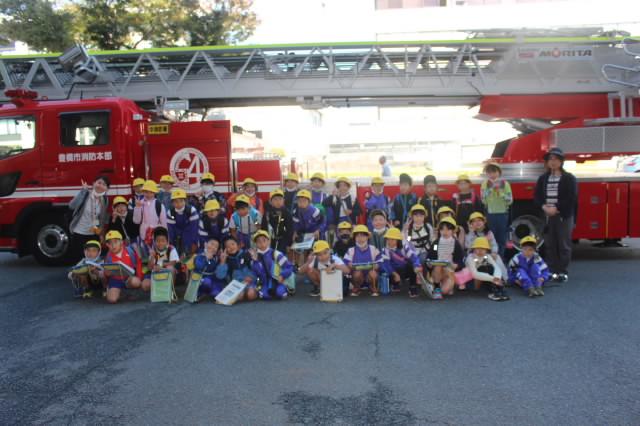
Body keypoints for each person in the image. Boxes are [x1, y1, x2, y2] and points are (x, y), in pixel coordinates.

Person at [534, 147, 577, 283]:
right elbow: (537, 197)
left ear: (561, 161)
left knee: (564, 245)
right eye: (550, 159)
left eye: (556, 159)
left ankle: (562, 271)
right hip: (547, 216)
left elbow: (571, 198)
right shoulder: (543, 179)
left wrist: (556, 208)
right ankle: (551, 271)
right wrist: (544, 207)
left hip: (563, 216)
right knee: (550, 244)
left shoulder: (569, 178)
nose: (553, 162)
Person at [68, 175, 110, 261]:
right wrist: (83, 191)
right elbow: (71, 206)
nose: (100, 186)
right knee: (80, 259)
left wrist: (101, 234)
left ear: (107, 189)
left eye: (104, 184)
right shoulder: (86, 194)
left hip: (93, 232)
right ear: (93, 184)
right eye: (99, 183)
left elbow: (102, 218)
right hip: (79, 231)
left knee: (94, 259)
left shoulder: (105, 199)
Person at [250, 230, 294, 300]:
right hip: (265, 283)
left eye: (264, 240)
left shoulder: (276, 254)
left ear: (269, 241)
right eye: (258, 241)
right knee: (265, 296)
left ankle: (286, 288)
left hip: (278, 281)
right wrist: (255, 262)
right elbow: (255, 273)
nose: (261, 243)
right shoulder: (254, 257)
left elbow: (289, 267)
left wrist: (282, 275)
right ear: (256, 244)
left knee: (280, 293)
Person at [481, 163, 512, 257]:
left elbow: (510, 200)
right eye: (489, 172)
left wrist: (500, 193)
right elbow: (483, 199)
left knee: (501, 238)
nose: (492, 174)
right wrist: (490, 189)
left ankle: (501, 258)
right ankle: (491, 258)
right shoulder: (485, 184)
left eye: (494, 172)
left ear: (499, 172)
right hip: (491, 214)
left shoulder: (505, 183)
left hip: (503, 214)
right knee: (491, 237)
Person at [102, 230, 143, 304]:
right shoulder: (108, 256)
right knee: (112, 299)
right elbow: (106, 273)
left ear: (121, 242)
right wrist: (106, 274)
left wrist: (139, 277)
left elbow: (138, 263)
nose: (113, 246)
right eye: (110, 243)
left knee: (136, 282)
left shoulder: (130, 251)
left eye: (115, 242)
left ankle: (130, 290)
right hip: (115, 280)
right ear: (107, 245)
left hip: (128, 279)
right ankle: (119, 292)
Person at [429, 217, 464, 299]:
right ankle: (437, 287)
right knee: (438, 265)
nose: (445, 232)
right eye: (442, 229)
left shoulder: (456, 244)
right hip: (437, 271)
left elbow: (461, 260)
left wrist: (456, 265)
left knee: (445, 291)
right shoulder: (436, 243)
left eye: (448, 229)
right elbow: (431, 255)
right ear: (439, 231)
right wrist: (430, 263)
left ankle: (444, 285)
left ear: (453, 231)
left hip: (449, 272)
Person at [465, 237, 509, 302]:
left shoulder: (487, 256)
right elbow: (474, 274)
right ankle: (493, 291)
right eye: (478, 248)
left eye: (483, 249)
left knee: (490, 268)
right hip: (472, 281)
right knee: (483, 268)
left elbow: (496, 267)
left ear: (486, 250)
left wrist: (497, 278)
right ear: (474, 249)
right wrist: (493, 279)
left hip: (485, 277)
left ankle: (499, 289)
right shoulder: (471, 258)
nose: (480, 251)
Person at [380, 227, 421, 297]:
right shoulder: (385, 250)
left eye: (392, 239)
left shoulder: (404, 247)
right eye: (388, 239)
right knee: (385, 272)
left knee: (411, 266)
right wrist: (395, 274)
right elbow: (386, 265)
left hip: (404, 270)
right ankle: (395, 284)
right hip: (392, 272)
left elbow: (413, 256)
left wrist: (416, 265)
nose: (390, 241)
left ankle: (412, 286)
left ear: (398, 240)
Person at [132, 180, 168, 258]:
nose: (148, 194)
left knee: (158, 257)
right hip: (143, 236)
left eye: (151, 192)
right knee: (145, 258)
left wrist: (165, 238)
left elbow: (164, 224)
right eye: (146, 192)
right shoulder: (139, 204)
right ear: (143, 192)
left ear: (154, 193)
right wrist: (137, 208)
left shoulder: (159, 205)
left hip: (156, 236)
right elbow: (136, 221)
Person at [343, 225, 382, 297]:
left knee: (373, 273)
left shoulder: (373, 249)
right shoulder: (351, 250)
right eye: (357, 236)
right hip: (356, 276)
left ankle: (372, 287)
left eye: (363, 236)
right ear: (354, 238)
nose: (360, 238)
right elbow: (346, 262)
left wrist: (376, 265)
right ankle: (357, 287)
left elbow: (380, 261)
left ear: (367, 237)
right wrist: (350, 265)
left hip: (370, 275)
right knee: (357, 273)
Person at [217, 236, 258, 302]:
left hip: (249, 282)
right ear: (225, 250)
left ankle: (252, 292)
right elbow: (220, 276)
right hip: (236, 285)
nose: (231, 247)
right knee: (239, 296)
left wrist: (252, 277)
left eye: (232, 244)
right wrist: (222, 262)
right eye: (227, 246)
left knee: (251, 294)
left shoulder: (247, 254)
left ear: (238, 245)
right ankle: (242, 294)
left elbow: (255, 269)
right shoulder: (226, 260)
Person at [141, 227, 179, 292]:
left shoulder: (171, 249)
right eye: (158, 241)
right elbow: (149, 268)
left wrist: (161, 266)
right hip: (156, 275)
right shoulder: (153, 251)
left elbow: (173, 263)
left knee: (171, 268)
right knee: (145, 285)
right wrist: (152, 257)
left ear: (167, 241)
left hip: (167, 274)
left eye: (163, 241)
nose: (160, 243)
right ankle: (159, 288)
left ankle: (169, 289)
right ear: (154, 241)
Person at [166, 188, 200, 258]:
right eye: (176, 202)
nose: (179, 204)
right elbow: (171, 230)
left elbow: (194, 229)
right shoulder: (170, 213)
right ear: (172, 203)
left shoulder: (192, 211)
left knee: (189, 255)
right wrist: (171, 243)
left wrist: (194, 243)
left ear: (185, 201)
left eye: (181, 201)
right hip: (177, 237)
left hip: (189, 236)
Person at [262, 189, 294, 254]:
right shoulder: (267, 213)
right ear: (270, 201)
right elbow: (263, 228)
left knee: (281, 258)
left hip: (283, 242)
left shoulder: (287, 213)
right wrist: (264, 241)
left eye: (280, 199)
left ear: (283, 200)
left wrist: (289, 244)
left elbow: (290, 230)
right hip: (270, 241)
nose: (278, 201)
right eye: (275, 199)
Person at [309, 172, 332, 239]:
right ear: (311, 183)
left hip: (322, 225)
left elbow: (329, 211)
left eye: (319, 181)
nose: (317, 183)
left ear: (322, 184)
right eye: (315, 181)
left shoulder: (326, 196)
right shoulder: (307, 195)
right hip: (309, 225)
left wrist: (330, 223)